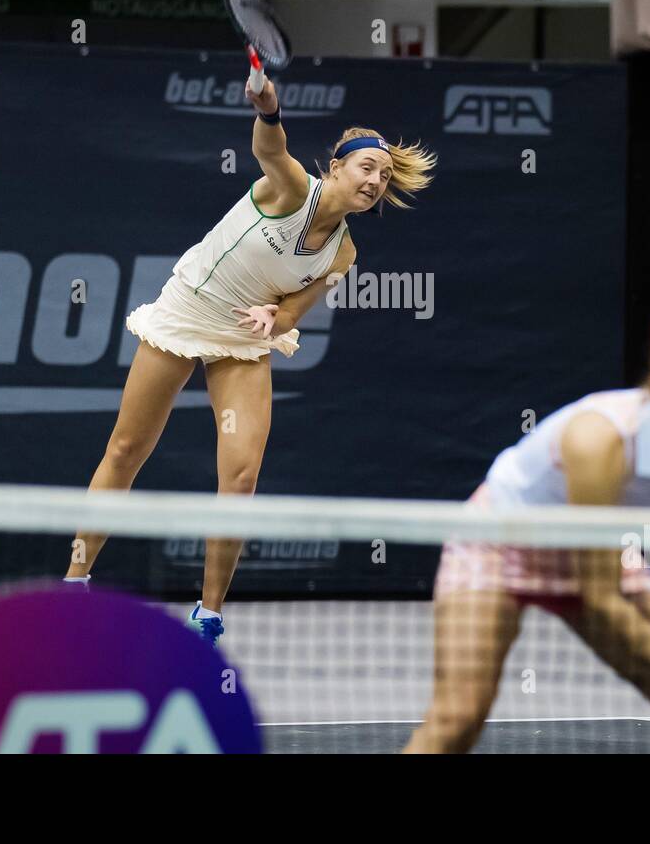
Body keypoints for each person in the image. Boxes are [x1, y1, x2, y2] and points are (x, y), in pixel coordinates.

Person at [64, 76, 435, 645]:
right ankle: (74, 584)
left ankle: (208, 614)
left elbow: (292, 311)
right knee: (126, 448)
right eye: (366, 168)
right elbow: (270, 149)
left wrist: (274, 319)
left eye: (384, 176)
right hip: (189, 309)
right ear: (335, 168)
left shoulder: (345, 251)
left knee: (241, 475)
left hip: (242, 335)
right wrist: (269, 108)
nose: (376, 181)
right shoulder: (291, 189)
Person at [405, 310, 650, 752]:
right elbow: (601, 598)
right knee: (459, 714)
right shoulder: (601, 439)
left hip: (595, 549)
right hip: (498, 543)